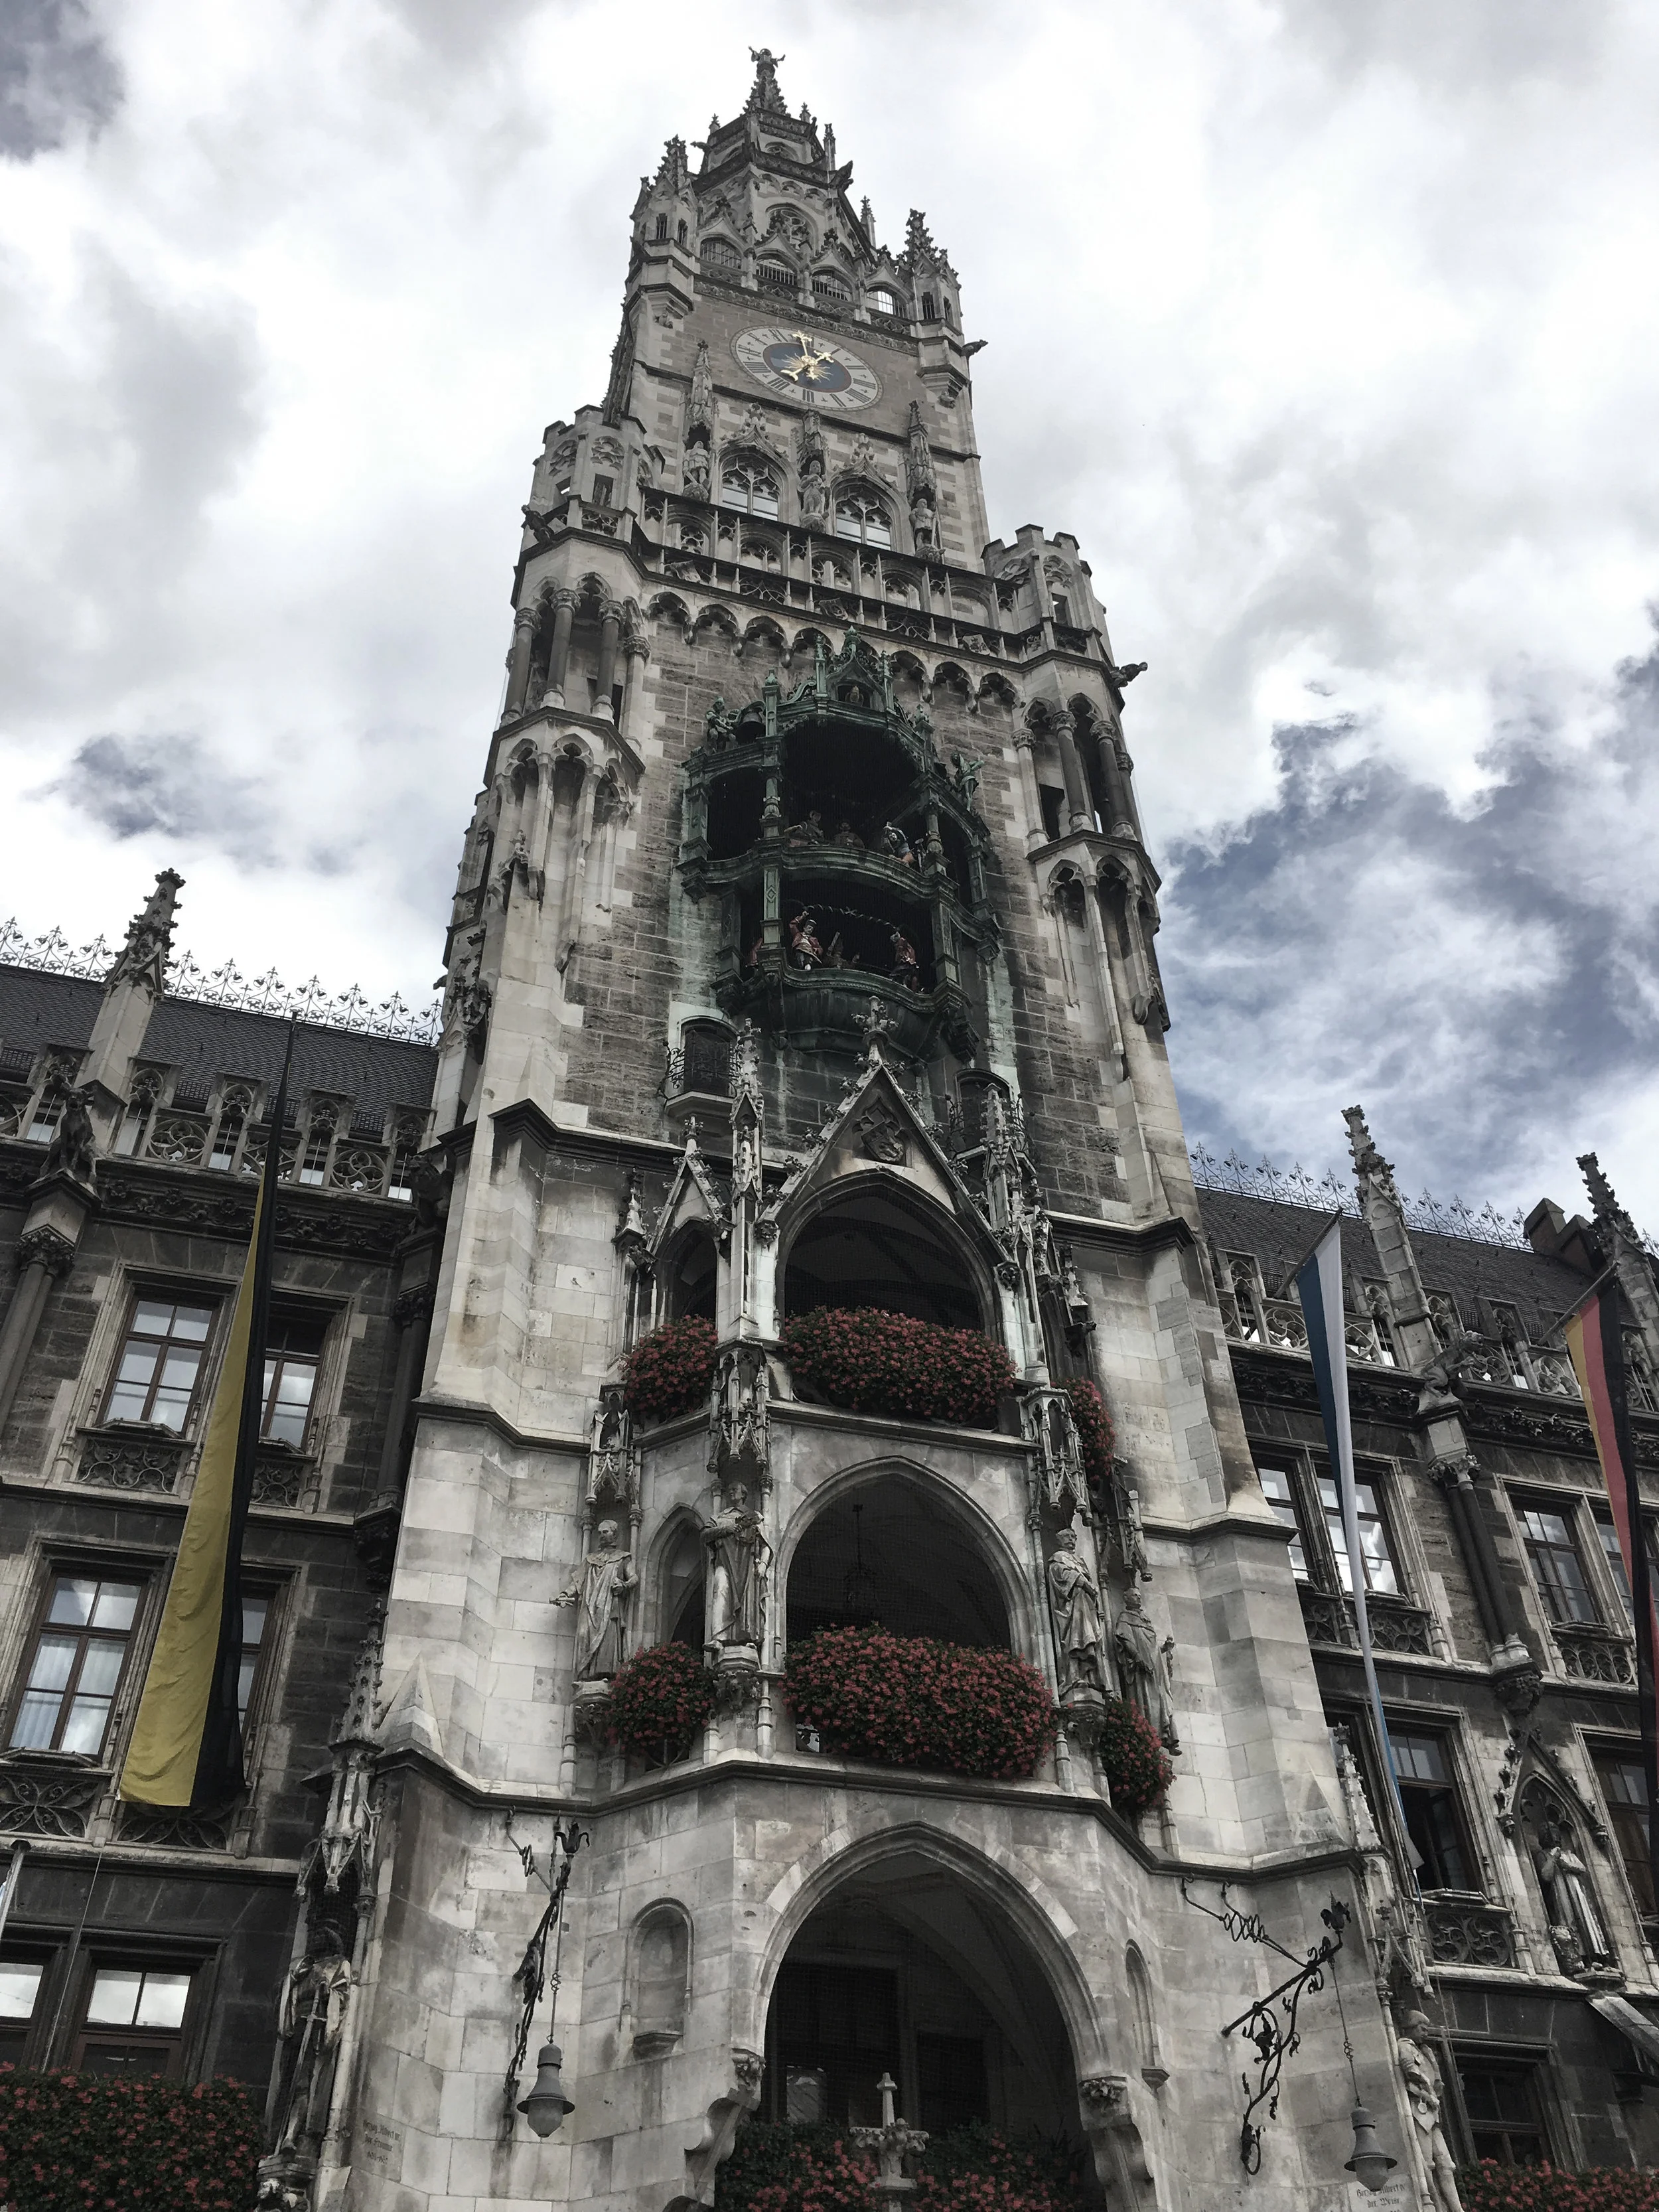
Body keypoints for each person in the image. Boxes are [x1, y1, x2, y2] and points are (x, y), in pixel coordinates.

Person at [555, 1519, 637, 1680]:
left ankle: (604, 1674)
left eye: (605, 1532)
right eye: (599, 1533)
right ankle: (585, 1676)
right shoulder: (590, 1559)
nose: (601, 1536)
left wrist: (624, 1585)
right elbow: (578, 1582)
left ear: (615, 1534)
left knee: (608, 1639)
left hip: (610, 1606)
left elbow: (634, 1578)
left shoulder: (623, 1558)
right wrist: (566, 1594)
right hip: (589, 1606)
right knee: (584, 1634)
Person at [706, 1480, 770, 1651]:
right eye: (729, 1490)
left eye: (735, 1490)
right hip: (725, 1562)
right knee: (720, 1589)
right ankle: (719, 1638)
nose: (730, 1493)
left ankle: (748, 1638)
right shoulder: (719, 1517)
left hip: (748, 1563)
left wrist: (763, 1564)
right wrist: (728, 1529)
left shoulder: (754, 1516)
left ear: (744, 1494)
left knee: (749, 1598)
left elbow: (766, 1546)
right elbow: (705, 1535)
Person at [1046, 1528, 1107, 1696]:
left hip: (1087, 1608)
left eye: (1074, 1537)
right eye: (1067, 1537)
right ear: (1059, 1540)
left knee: (1089, 1641)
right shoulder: (1058, 1558)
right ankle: (1073, 1678)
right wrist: (1083, 1583)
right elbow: (1061, 1575)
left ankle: (1091, 1679)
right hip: (1072, 1609)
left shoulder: (1080, 1561)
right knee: (1075, 1641)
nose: (1071, 1540)